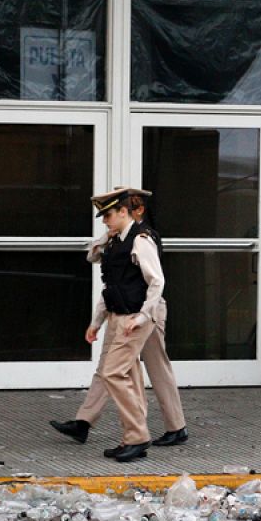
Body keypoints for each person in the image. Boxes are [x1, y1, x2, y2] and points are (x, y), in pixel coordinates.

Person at [49, 191, 188, 454]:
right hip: (124, 311)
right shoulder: (116, 240)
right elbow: (104, 272)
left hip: (144, 311)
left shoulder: (143, 238)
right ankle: (88, 423)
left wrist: (144, 316)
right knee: (113, 368)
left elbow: (155, 281)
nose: (105, 221)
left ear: (131, 210)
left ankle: (169, 428)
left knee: (150, 368)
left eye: (109, 214)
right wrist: (97, 322)